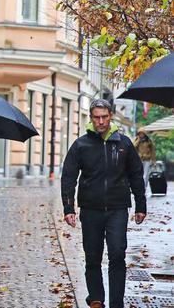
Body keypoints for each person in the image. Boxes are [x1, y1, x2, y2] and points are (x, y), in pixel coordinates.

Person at [62, 99, 146, 308]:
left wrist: (140, 205)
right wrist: (68, 207)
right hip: (91, 209)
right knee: (92, 256)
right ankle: (96, 298)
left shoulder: (124, 143)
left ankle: (116, 303)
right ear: (91, 118)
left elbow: (136, 174)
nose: (100, 121)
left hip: (117, 208)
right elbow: (69, 176)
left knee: (117, 254)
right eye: (96, 117)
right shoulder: (81, 144)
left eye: (104, 117)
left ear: (111, 117)